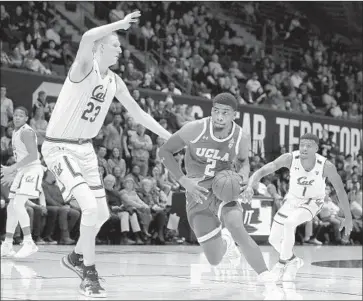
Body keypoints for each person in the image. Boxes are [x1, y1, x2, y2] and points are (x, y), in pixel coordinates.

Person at [40, 11, 171, 298]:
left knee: (100, 215)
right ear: (101, 48)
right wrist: (121, 25)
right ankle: (89, 275)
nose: (121, 49)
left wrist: (168, 136)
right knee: (88, 207)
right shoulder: (83, 67)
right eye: (116, 45)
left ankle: (75, 257)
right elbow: (87, 36)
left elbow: (139, 114)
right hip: (60, 146)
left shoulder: (115, 81)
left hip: (84, 149)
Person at [159, 92, 275, 286]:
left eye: (225, 113)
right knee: (214, 259)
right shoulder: (194, 129)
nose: (220, 116)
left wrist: (245, 180)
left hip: (223, 190)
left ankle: (265, 275)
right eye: (216, 111)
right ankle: (226, 244)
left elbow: (243, 161)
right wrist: (184, 181)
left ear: (234, 115)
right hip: (196, 193)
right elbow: (164, 151)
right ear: (211, 111)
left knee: (237, 227)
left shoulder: (241, 136)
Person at [242, 133, 353, 281]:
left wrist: (349, 217)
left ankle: (281, 265)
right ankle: (292, 260)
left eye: (308, 145)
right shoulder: (290, 158)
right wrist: (250, 185)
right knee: (273, 239)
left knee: (289, 223)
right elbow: (263, 170)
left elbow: (340, 190)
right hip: (292, 200)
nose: (304, 148)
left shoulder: (326, 166)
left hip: (313, 202)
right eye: (302, 145)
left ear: (316, 148)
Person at [1, 107, 44, 258]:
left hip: (32, 170)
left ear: (26, 118)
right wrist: (14, 172)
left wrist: (12, 168)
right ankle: (7, 244)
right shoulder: (15, 132)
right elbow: (22, 157)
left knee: (18, 204)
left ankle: (29, 242)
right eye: (15, 115)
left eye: (21, 115)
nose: (17, 117)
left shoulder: (26, 131)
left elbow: (33, 155)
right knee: (11, 207)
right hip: (22, 171)